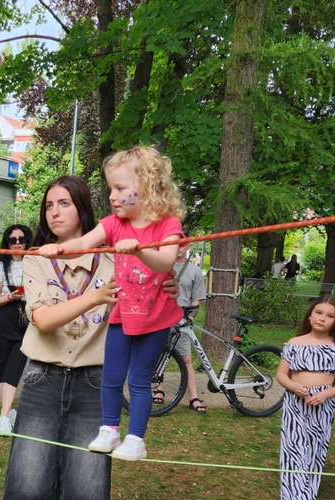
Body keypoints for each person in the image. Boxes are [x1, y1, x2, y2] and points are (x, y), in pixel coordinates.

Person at [2, 175, 118, 500]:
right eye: (49, 204)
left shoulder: (112, 257)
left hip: (95, 381)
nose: (54, 211)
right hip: (41, 379)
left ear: (83, 209)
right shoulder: (36, 258)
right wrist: (94, 297)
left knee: (85, 476)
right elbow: (44, 319)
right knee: (32, 472)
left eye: (64, 203)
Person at [39, 145, 184, 461]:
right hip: (122, 314)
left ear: (146, 187)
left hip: (155, 317)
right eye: (110, 189)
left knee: (140, 380)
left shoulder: (168, 225)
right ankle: (109, 429)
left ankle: (136, 439)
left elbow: (165, 262)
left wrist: (139, 250)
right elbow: (82, 244)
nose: (113, 196)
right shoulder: (113, 224)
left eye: (120, 188)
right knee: (112, 376)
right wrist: (58, 249)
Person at [275, 295, 335, 500]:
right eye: (319, 312)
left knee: (311, 454)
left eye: (330, 316)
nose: (323, 318)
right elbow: (281, 375)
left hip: (321, 405)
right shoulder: (294, 342)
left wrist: (325, 394)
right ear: (310, 315)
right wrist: (293, 386)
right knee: (291, 453)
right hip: (294, 403)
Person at [0, 224, 34, 433]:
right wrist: (9, 296)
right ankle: (9, 411)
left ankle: (4, 418)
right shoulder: (0, 266)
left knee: (15, 368)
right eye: (12, 240)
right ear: (7, 242)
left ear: (27, 240)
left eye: (21, 239)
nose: (17, 243)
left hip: (26, 317)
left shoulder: (35, 262)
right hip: (5, 316)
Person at [155, 246, 208, 413]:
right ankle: (159, 388)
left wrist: (188, 319)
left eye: (182, 244)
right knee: (158, 354)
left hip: (181, 321)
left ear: (188, 247)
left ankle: (194, 397)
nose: (178, 248)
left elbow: (197, 299)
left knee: (186, 359)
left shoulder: (195, 271)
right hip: (162, 319)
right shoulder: (161, 267)